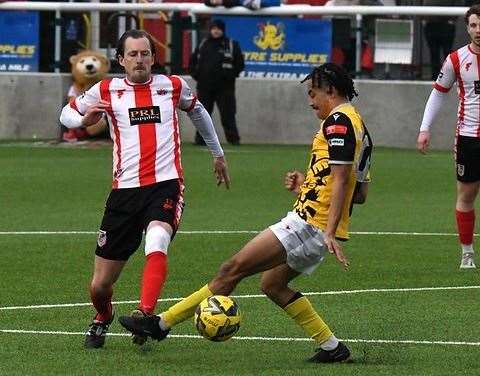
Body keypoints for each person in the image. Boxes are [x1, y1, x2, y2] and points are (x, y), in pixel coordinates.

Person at [119, 63, 373, 363]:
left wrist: (328, 230)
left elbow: (343, 180)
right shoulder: (359, 126)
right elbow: (359, 194)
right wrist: (306, 185)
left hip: (309, 225)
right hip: (315, 224)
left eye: (313, 92)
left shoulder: (338, 123)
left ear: (329, 89)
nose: (310, 100)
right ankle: (333, 348)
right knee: (272, 285)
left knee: (231, 269)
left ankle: (159, 324)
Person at [59, 29, 231, 349]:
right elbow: (67, 113)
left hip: (165, 185)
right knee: (99, 286)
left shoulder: (172, 86)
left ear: (153, 57)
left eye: (145, 53)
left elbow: (198, 111)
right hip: (124, 192)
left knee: (157, 238)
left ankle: (145, 314)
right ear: (121, 60)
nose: (140, 60)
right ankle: (102, 317)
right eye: (133, 55)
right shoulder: (107, 89)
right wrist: (82, 121)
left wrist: (218, 154)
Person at [417, 5, 480, 270]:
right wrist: (424, 128)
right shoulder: (456, 59)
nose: (479, 30)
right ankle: (467, 253)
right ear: (467, 28)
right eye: (474, 25)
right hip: (469, 138)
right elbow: (439, 92)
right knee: (466, 195)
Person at [189, 19, 245, 146]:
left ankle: (233, 140)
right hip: (205, 87)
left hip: (225, 88)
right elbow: (192, 62)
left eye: (218, 28)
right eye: (213, 28)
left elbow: (240, 64)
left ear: (223, 30)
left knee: (228, 115)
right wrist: (198, 76)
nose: (216, 31)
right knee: (202, 115)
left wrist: (230, 75)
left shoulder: (231, 44)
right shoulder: (203, 44)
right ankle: (200, 140)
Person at [422, 0, 462, 80]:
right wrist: (422, 18)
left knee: (447, 53)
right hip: (430, 24)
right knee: (433, 52)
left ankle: (448, 77)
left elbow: (459, 2)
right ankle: (435, 77)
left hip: (447, 24)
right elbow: (418, 3)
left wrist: (453, 19)